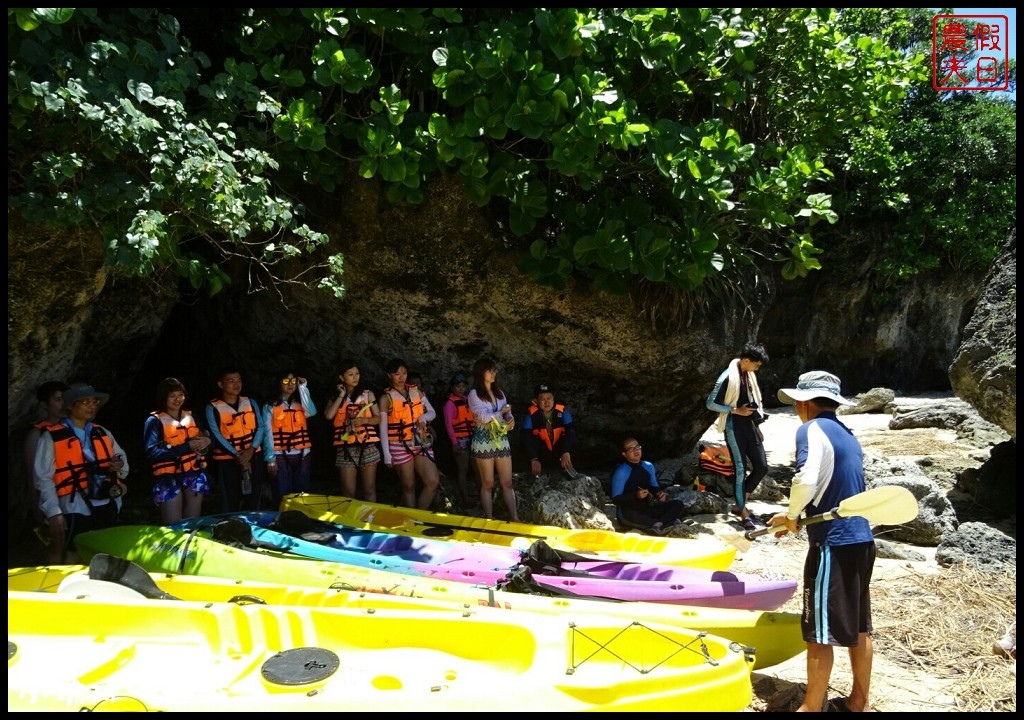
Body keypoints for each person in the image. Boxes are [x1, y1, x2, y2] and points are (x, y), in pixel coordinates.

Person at [767, 371, 874, 713]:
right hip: (862, 539)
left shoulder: (810, 429)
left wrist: (793, 514)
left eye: (799, 401)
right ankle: (858, 702)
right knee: (859, 626)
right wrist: (794, 518)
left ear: (807, 402)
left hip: (833, 543)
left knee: (818, 630)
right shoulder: (848, 434)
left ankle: (811, 708)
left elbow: (806, 478)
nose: (798, 408)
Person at [33, 382, 129, 563]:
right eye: (85, 402)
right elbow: (43, 478)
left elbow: (122, 462)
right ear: (70, 406)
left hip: (105, 502)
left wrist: (118, 466)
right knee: (74, 554)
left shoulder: (102, 432)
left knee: (105, 551)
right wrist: (54, 512)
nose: (91, 406)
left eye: (94, 402)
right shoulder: (51, 436)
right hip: (74, 505)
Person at [705, 342, 770, 531]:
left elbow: (750, 403)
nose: (757, 368)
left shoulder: (748, 376)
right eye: (756, 365)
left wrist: (757, 425)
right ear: (746, 360)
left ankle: (740, 504)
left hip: (749, 427)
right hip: (734, 428)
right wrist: (734, 410)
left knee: (761, 467)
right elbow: (710, 403)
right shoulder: (727, 376)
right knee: (740, 469)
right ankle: (742, 512)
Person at [143, 377, 212, 523]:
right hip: (167, 477)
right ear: (164, 398)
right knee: (173, 525)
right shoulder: (154, 421)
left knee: (192, 522)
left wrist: (208, 441)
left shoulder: (192, 416)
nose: (177, 399)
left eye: (180, 395)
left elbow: (205, 438)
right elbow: (152, 452)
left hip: (193, 472)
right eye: (172, 396)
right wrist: (187, 447)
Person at [204, 367, 270, 512]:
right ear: (221, 384)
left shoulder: (251, 402)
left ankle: (253, 527)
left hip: (253, 456)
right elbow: (216, 434)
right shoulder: (212, 407)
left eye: (239, 380)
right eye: (231, 381)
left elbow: (260, 427)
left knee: (254, 496)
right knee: (230, 499)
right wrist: (238, 455)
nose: (236, 384)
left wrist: (251, 450)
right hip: (228, 460)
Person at [378, 358, 441, 509]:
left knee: (433, 482)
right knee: (409, 486)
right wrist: (387, 455)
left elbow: (432, 412)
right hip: (398, 444)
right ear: (389, 375)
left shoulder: (416, 391)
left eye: (404, 373)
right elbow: (383, 429)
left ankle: (419, 515)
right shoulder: (385, 398)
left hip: (420, 440)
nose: (401, 377)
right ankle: (412, 521)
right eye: (397, 374)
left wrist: (424, 417)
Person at [467, 357, 519, 521]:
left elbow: (507, 412)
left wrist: (510, 419)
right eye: (490, 370)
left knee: (507, 482)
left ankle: (515, 517)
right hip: (483, 440)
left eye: (494, 370)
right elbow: (483, 418)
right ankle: (489, 518)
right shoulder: (474, 394)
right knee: (488, 483)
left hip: (501, 438)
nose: (493, 373)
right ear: (480, 372)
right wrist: (502, 413)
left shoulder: (500, 393)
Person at [325, 360, 381, 502]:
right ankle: (350, 521)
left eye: (357, 374)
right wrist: (341, 395)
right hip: (345, 449)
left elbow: (378, 418)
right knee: (349, 492)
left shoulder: (368, 394)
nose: (355, 377)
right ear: (342, 378)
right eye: (350, 374)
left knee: (369, 489)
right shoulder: (335, 395)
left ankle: (370, 519)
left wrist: (364, 420)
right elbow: (329, 415)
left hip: (367, 447)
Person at [608, 437, 684, 534]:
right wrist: (636, 495)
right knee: (633, 516)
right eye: (631, 449)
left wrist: (659, 494)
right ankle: (664, 523)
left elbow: (654, 487)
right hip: (628, 513)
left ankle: (659, 524)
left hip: (646, 509)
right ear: (624, 454)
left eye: (637, 447)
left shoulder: (648, 466)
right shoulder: (621, 471)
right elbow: (615, 499)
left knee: (678, 504)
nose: (636, 450)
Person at [23, 380, 68, 538]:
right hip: (50, 502)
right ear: (44, 404)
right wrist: (37, 510)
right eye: (57, 400)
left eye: (65, 399)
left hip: (74, 500)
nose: (63, 404)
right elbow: (32, 476)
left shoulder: (75, 427)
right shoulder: (37, 434)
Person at [264, 371, 317, 503]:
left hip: (302, 454)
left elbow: (311, 411)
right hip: (280, 455)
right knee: (282, 492)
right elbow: (267, 433)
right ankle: (282, 519)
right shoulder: (269, 406)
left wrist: (303, 387)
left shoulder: (300, 404)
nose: (290, 385)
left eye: (293, 381)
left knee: (303, 493)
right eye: (286, 381)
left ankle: (301, 521)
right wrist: (270, 458)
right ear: (279, 383)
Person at [521, 382, 578, 478]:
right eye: (542, 399)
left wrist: (565, 451)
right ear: (536, 401)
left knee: (572, 437)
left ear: (553, 398)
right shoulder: (531, 415)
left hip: (559, 451)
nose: (546, 402)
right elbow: (525, 437)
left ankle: (568, 469)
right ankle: (534, 471)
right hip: (541, 453)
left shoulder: (563, 412)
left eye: (549, 398)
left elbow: (571, 432)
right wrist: (533, 458)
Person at [442, 372, 476, 508]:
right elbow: (448, 424)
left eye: (463, 386)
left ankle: (480, 495)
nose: (461, 389)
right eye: (458, 386)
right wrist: (454, 442)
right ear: (452, 388)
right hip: (460, 440)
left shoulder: (469, 400)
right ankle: (465, 499)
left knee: (477, 468)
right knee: (463, 469)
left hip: (473, 438)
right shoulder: (450, 404)